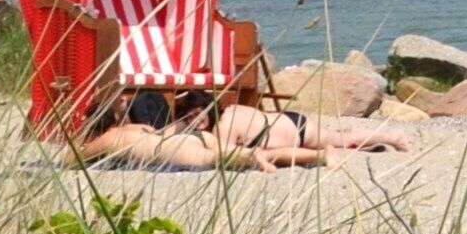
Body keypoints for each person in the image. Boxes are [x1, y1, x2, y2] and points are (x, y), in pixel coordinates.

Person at [78, 94, 416, 168]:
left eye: (198, 116)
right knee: (344, 138)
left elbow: (220, 152)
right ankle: (391, 137)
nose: (196, 121)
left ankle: (386, 139)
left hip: (280, 136)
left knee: (339, 140)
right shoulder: (231, 111)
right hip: (291, 122)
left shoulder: (224, 127)